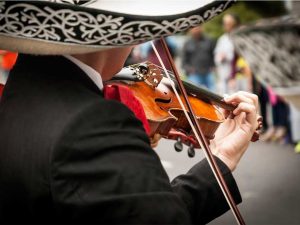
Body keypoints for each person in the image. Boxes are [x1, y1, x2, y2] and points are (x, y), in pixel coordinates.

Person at [0, 1, 260, 224]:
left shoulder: (17, 91)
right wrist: (221, 161)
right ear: (113, 28)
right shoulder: (91, 124)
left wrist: (220, 158)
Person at [182, 26, 215, 90]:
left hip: (208, 72)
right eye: (194, 28)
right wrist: (189, 69)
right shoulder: (187, 43)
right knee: (194, 93)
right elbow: (184, 61)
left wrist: (213, 66)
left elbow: (212, 55)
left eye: (198, 27)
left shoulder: (208, 40)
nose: (196, 30)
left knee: (213, 92)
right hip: (194, 74)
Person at [214, 13, 240, 94]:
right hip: (223, 75)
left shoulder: (239, 38)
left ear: (234, 24)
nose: (226, 26)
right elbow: (216, 57)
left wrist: (227, 56)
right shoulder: (222, 39)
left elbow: (239, 59)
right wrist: (219, 57)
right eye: (225, 23)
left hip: (237, 77)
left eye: (228, 23)